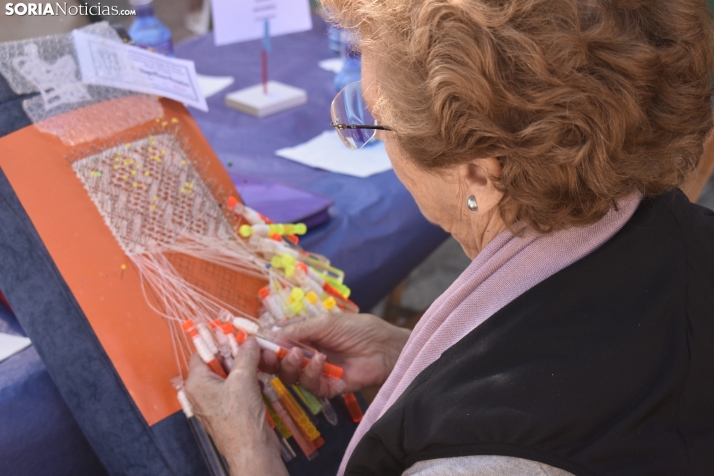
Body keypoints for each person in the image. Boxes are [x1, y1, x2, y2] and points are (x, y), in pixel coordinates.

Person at [185, 1, 714, 474]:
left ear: (480, 176)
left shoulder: (478, 457)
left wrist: (251, 454)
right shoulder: (684, 232)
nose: (368, 134)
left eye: (372, 120)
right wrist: (415, 358)